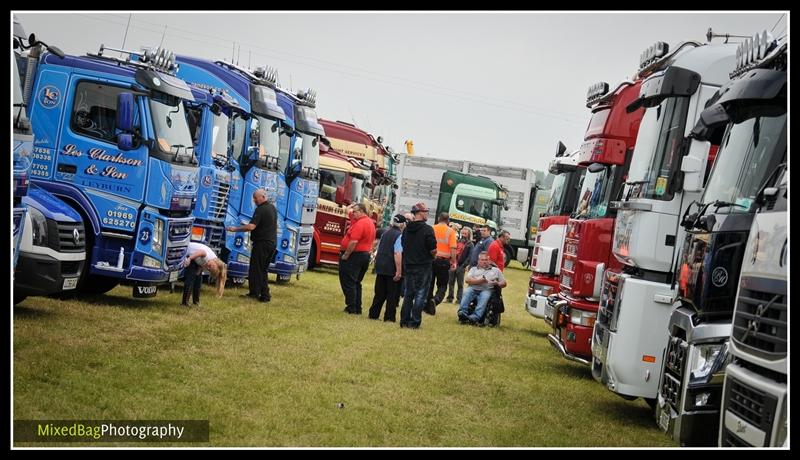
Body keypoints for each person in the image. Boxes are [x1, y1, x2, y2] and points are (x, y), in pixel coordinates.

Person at [226, 188, 277, 302]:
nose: (254, 200)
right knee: (263, 269)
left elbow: (251, 226)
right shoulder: (272, 208)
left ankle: (254, 293)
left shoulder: (261, 209)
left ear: (263, 197)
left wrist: (235, 229)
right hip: (272, 243)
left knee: (255, 269)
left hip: (262, 243)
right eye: (253, 198)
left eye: (255, 198)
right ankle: (265, 295)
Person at [399, 202, 437, 329]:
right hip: (423, 265)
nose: (427, 214)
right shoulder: (427, 229)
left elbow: (403, 244)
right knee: (420, 294)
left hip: (409, 264)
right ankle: (414, 322)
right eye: (426, 211)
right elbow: (432, 248)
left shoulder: (407, 229)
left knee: (409, 293)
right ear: (420, 213)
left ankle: (404, 321)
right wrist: (433, 255)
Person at [339, 203, 376, 314]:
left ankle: (351, 307)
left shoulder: (360, 224)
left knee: (348, 281)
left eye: (355, 211)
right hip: (363, 255)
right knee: (356, 282)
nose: (353, 213)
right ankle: (357, 307)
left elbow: (354, 241)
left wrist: (346, 254)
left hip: (355, 255)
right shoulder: (367, 222)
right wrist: (352, 205)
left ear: (361, 211)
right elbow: (347, 211)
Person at [368, 214, 406, 322]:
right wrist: (399, 271)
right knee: (392, 295)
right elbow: (397, 253)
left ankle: (373, 314)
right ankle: (389, 317)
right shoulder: (399, 236)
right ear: (402, 224)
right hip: (391, 268)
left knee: (379, 293)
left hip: (381, 267)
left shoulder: (385, 234)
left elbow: (379, 249)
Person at [457, 251, 507, 324]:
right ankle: (462, 312)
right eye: (482, 260)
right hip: (473, 288)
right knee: (467, 292)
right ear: (478, 261)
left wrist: (498, 283)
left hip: (487, 289)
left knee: (485, 296)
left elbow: (504, 283)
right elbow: (467, 280)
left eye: (486, 260)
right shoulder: (474, 269)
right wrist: (479, 281)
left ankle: (475, 317)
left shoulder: (496, 270)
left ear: (489, 261)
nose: (484, 262)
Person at [425, 212, 457, 314]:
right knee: (442, 285)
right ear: (448, 220)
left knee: (429, 284)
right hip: (443, 261)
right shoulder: (451, 231)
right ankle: (436, 300)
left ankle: (426, 306)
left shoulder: (432, 228)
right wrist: (453, 261)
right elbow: (453, 248)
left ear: (438, 218)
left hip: (431, 259)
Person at [181, 241, 228, 306]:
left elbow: (202, 265)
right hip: (189, 253)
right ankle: (185, 302)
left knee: (198, 280)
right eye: (211, 267)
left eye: (209, 270)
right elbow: (201, 252)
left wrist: (199, 271)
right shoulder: (209, 257)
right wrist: (189, 259)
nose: (209, 268)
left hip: (195, 259)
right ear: (216, 263)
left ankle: (196, 302)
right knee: (190, 278)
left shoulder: (212, 262)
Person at [446, 226, 474, 304]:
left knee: (460, 284)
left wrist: (463, 266)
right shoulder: (457, 241)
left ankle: (459, 299)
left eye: (465, 233)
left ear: (469, 234)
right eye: (462, 233)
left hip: (461, 266)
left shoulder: (470, 244)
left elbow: (470, 257)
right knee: (450, 282)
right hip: (453, 264)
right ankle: (450, 298)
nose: (463, 235)